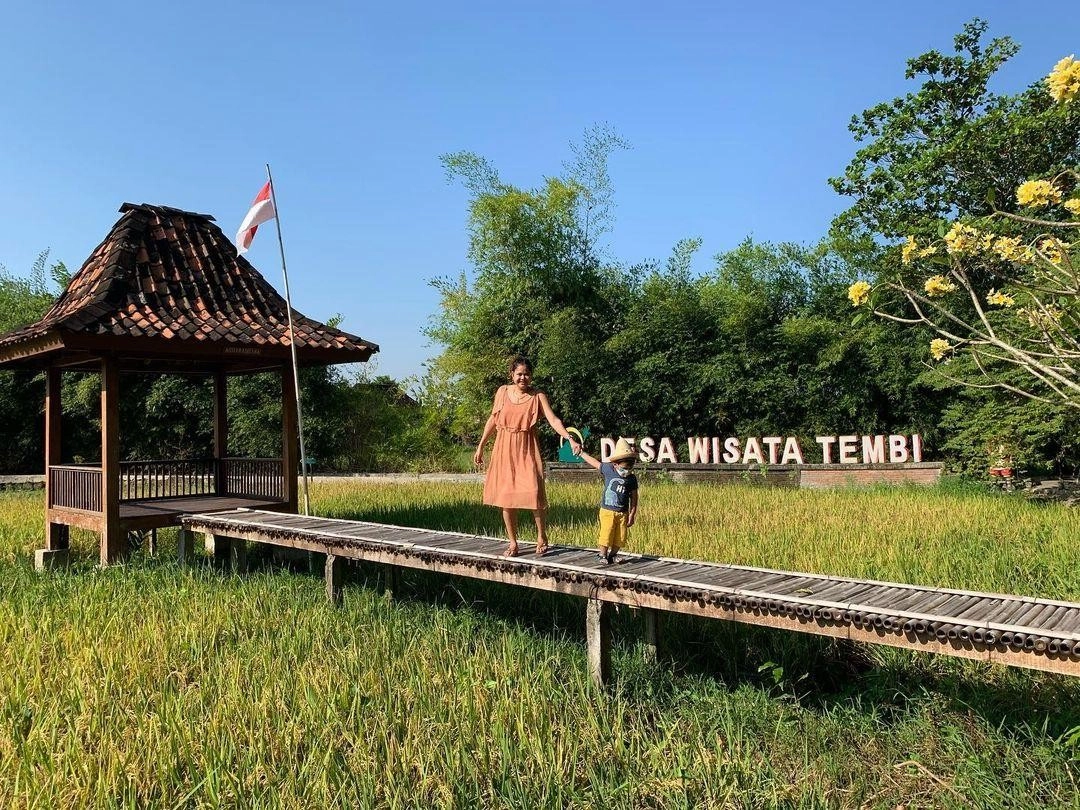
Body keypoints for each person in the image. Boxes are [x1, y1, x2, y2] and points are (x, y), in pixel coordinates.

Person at [473, 356, 581, 557]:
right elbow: (493, 419)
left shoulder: (537, 396)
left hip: (526, 449)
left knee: (533, 492)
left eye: (527, 374)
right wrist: (480, 445)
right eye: (519, 374)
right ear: (512, 375)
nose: (523, 377)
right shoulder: (502, 392)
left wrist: (570, 438)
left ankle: (542, 535)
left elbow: (553, 420)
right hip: (503, 448)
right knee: (506, 497)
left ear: (531, 376)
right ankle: (513, 542)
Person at [576, 438, 639, 564]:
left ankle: (613, 555)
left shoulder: (631, 478)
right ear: (615, 464)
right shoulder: (608, 469)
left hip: (623, 513)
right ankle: (602, 555)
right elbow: (594, 462)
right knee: (607, 533)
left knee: (620, 537)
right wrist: (581, 453)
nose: (626, 471)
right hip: (607, 511)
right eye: (624, 468)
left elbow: (634, 496)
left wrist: (632, 514)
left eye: (629, 468)